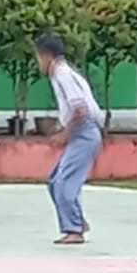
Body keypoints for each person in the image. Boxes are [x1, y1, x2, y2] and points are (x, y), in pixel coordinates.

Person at [36, 32, 102, 245]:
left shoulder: (62, 74)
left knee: (65, 181)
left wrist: (65, 133)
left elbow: (80, 108)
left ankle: (73, 230)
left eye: (38, 58)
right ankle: (77, 221)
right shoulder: (63, 74)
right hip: (82, 132)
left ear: (46, 56)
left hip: (84, 132)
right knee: (55, 180)